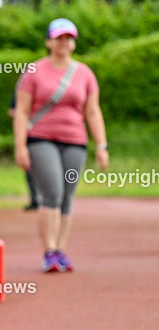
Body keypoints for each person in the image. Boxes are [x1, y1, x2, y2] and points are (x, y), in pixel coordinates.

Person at [13, 18, 108, 273]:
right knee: (52, 191)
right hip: (41, 138)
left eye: (69, 38)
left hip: (75, 141)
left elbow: (93, 112)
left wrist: (102, 145)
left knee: (67, 196)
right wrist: (20, 145)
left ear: (74, 43)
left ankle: (61, 250)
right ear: (48, 41)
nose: (64, 42)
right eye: (59, 37)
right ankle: (49, 251)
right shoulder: (34, 71)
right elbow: (22, 111)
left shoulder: (85, 73)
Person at [8, 86, 39, 211]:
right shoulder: (22, 90)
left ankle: (48, 199)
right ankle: (35, 198)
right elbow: (12, 111)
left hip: (50, 136)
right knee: (29, 168)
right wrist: (25, 115)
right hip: (29, 135)